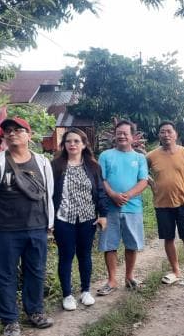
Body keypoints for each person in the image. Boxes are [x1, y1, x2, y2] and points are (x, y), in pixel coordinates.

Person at [0, 117, 54, 336]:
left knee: (35, 272)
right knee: (5, 275)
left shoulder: (43, 163)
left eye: (18, 130)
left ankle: (35, 311)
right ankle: (10, 320)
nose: (12, 134)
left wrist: (49, 222)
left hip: (37, 227)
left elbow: (49, 193)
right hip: (6, 231)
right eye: (8, 130)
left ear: (29, 135)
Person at [51, 128, 109, 310]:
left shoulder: (93, 166)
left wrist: (103, 215)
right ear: (64, 144)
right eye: (69, 141)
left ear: (84, 144)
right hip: (63, 218)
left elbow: (100, 191)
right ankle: (67, 295)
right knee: (66, 256)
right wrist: (50, 219)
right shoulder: (56, 166)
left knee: (85, 256)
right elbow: (49, 194)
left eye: (77, 141)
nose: (72, 144)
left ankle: (85, 291)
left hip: (87, 218)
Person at [147, 121, 184, 287]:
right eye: (162, 132)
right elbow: (141, 173)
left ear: (175, 134)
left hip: (183, 203)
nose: (166, 135)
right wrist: (151, 183)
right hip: (161, 204)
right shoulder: (151, 156)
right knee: (169, 238)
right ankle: (175, 271)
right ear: (159, 135)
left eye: (169, 131)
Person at [96, 120, 149, 296]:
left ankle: (129, 276)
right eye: (119, 133)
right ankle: (111, 280)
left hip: (132, 207)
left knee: (131, 244)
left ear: (133, 137)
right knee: (109, 245)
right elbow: (101, 179)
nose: (122, 136)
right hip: (109, 208)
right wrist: (112, 194)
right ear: (115, 135)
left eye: (125, 133)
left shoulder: (139, 158)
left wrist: (127, 195)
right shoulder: (105, 155)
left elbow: (143, 181)